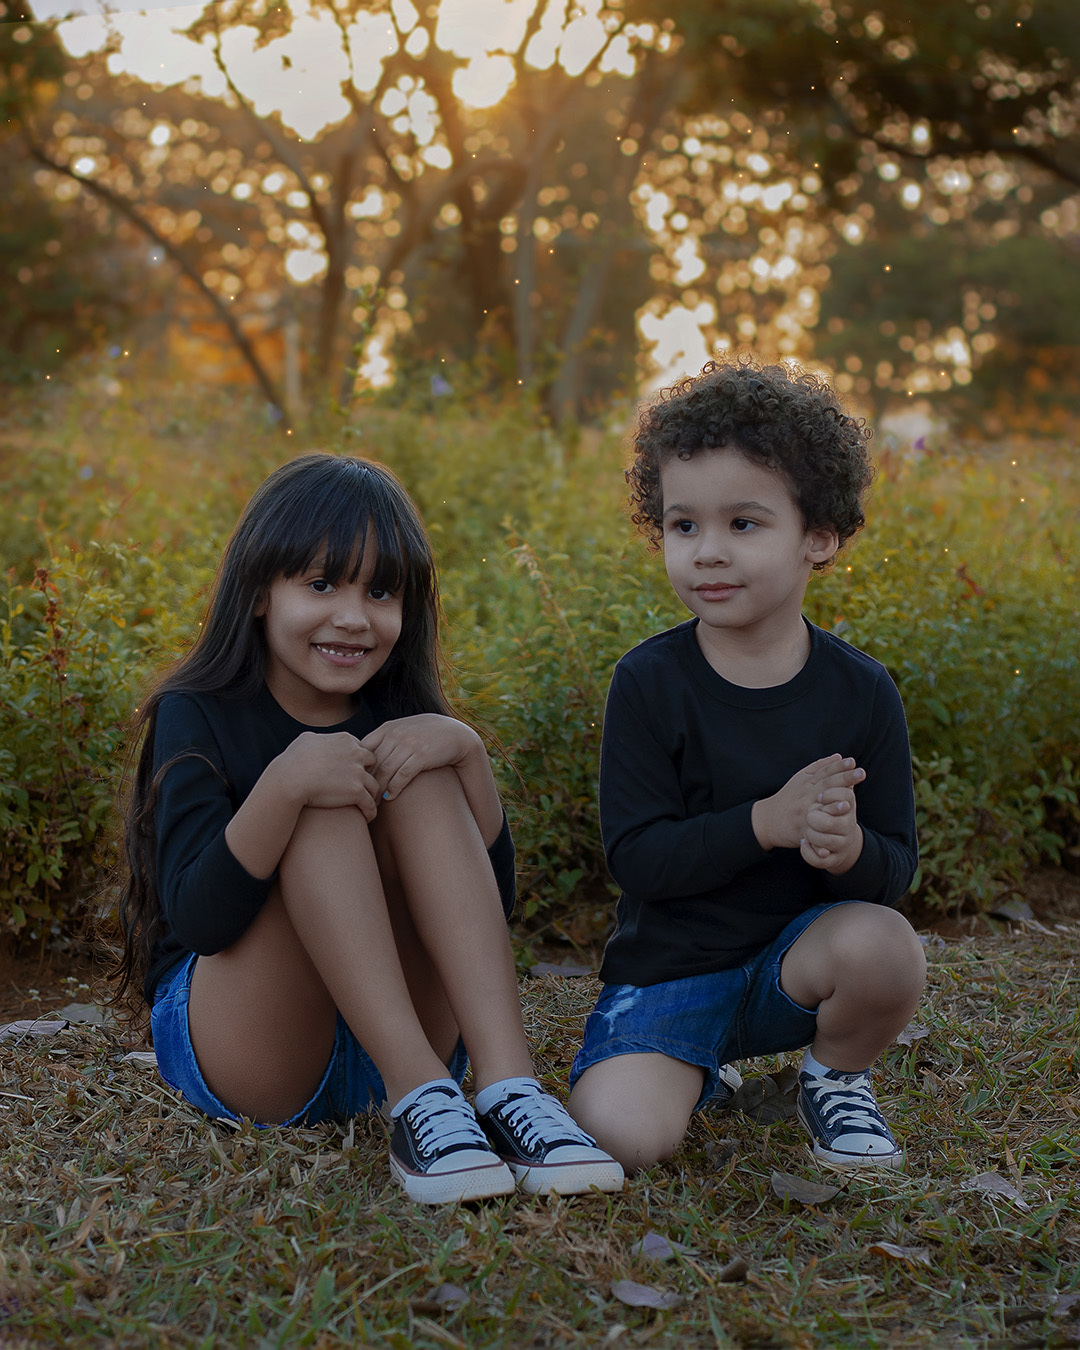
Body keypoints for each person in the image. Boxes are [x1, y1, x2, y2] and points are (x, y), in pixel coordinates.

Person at [116, 452, 622, 1206]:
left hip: (407, 1036)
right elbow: (198, 922)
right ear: (257, 592)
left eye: (380, 591)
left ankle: (509, 1091)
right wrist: (284, 787)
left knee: (418, 772)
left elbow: (488, 911)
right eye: (321, 584)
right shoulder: (196, 713)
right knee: (322, 796)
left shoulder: (398, 716)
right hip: (257, 1049)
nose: (353, 617)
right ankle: (419, 1096)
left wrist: (468, 754)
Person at [567, 359, 926, 1174]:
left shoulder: (862, 691)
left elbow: (895, 866)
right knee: (622, 1138)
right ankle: (695, 1069)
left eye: (743, 523)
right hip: (670, 976)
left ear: (818, 535)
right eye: (684, 526)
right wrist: (766, 823)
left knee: (884, 945)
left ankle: (835, 1078)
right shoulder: (648, 682)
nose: (708, 552)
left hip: (794, 969)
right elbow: (637, 859)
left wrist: (847, 852)